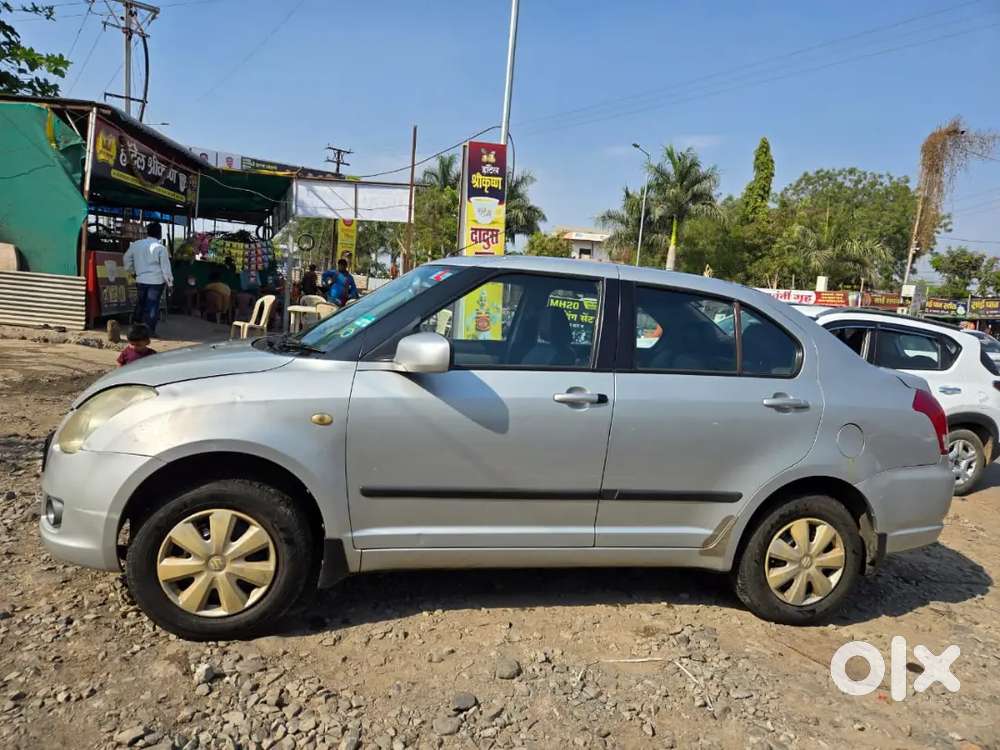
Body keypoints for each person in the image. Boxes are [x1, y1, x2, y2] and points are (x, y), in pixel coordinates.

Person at [123, 222, 172, 336]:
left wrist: (132, 271)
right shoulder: (161, 248)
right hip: (156, 281)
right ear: (159, 233)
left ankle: (136, 328)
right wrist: (170, 284)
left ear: (147, 232)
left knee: (140, 303)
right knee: (152, 305)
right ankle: (149, 330)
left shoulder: (136, 244)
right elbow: (166, 268)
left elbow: (126, 258)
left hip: (140, 279)